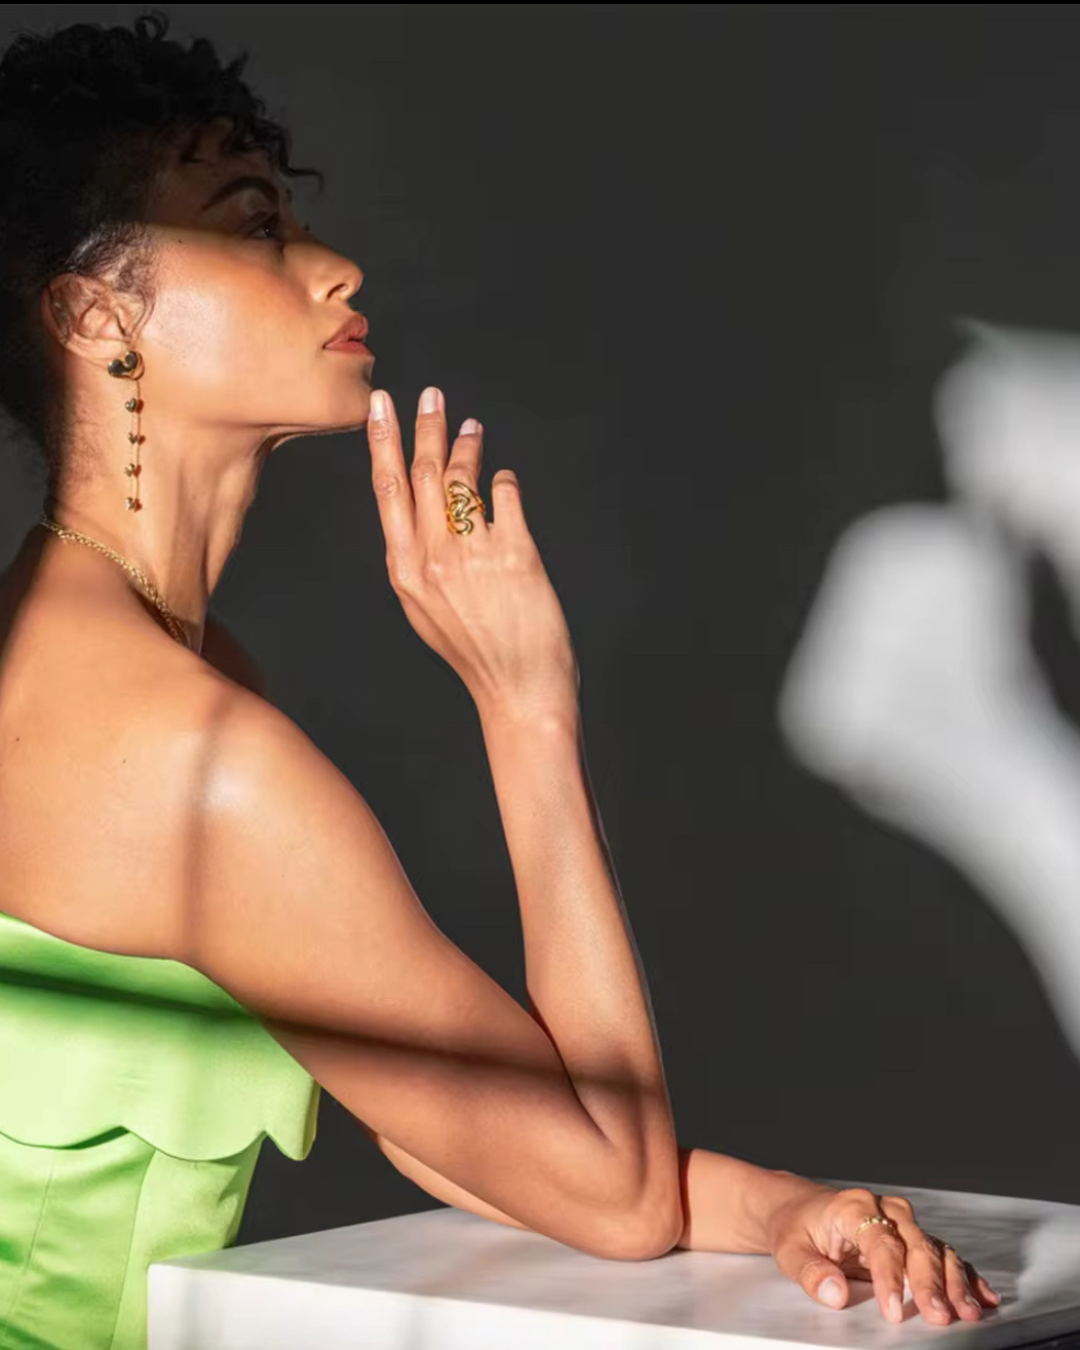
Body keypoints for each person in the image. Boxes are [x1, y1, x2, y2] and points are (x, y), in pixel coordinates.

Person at [0, 12, 1000, 1349]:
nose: (336, 265)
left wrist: (781, 1210)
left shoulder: (110, 658)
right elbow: (616, 1189)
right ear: (93, 313)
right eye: (251, 228)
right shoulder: (181, 747)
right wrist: (524, 703)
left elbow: (447, 1125)